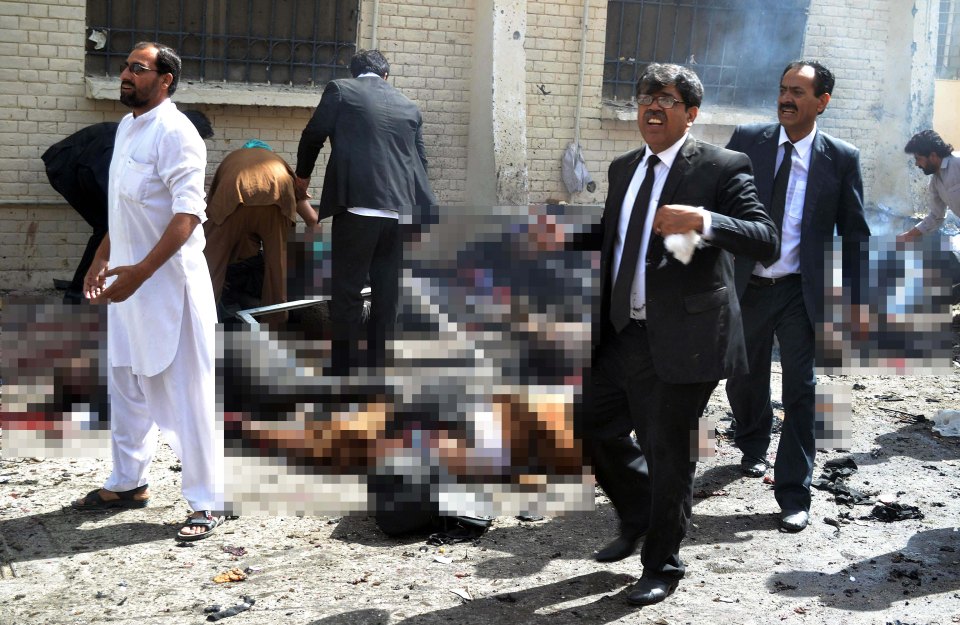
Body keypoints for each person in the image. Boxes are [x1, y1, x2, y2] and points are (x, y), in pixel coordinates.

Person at [583, 63, 777, 606]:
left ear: (690, 113)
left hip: (684, 336)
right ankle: (640, 510)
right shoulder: (624, 167)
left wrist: (704, 220)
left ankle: (662, 564)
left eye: (666, 98)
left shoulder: (721, 165)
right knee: (589, 423)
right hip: (622, 330)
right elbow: (614, 247)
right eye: (646, 95)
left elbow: (765, 238)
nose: (652, 105)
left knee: (669, 451)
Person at [70, 42, 224, 541]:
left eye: (138, 68)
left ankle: (207, 500)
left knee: (186, 394)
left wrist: (141, 271)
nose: (126, 75)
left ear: (166, 80)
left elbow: (188, 215)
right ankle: (129, 482)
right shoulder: (128, 128)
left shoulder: (178, 134)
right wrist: (103, 258)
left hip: (169, 287)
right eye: (125, 67)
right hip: (128, 284)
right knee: (126, 385)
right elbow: (125, 209)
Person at [724, 61, 870, 533]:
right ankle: (751, 441)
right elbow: (717, 203)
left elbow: (855, 234)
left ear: (822, 101)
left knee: (801, 391)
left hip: (797, 291)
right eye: (783, 90)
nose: (786, 99)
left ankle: (792, 492)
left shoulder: (841, 157)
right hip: (747, 285)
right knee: (743, 377)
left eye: (799, 92)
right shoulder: (749, 140)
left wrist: (855, 302)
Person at [294, 49, 436, 374]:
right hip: (401, 214)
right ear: (385, 76)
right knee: (389, 295)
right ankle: (378, 368)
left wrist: (302, 179)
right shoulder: (409, 106)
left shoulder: (341, 91)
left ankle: (343, 367)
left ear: (354, 72)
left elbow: (313, 134)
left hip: (358, 210)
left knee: (347, 291)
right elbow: (421, 163)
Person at [41, 110, 213, 303]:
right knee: (110, 226)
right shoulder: (144, 138)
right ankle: (81, 294)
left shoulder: (147, 135)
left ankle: (88, 289)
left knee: (111, 226)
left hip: (69, 164)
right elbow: (123, 201)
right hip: (69, 167)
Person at [203, 140, 319, 325]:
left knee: (209, 268)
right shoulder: (278, 164)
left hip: (232, 195)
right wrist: (314, 262)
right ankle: (274, 331)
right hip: (277, 202)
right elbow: (313, 220)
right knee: (277, 271)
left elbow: (211, 214)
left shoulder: (231, 161)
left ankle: (201, 324)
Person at [898, 130, 960, 242]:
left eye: (918, 158)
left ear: (932, 156)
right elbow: (936, 216)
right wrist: (908, 236)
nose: (917, 164)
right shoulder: (935, 184)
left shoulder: (957, 163)